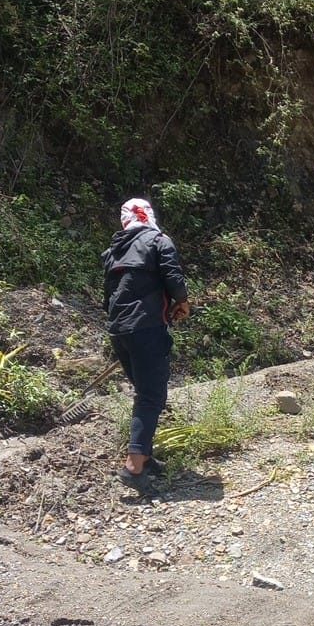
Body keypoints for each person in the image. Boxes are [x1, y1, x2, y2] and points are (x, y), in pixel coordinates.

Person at [102, 197, 190, 484]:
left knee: (145, 393)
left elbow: (109, 295)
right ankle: (134, 466)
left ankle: (145, 456)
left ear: (125, 220)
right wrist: (182, 302)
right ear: (149, 216)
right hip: (147, 328)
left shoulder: (112, 251)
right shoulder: (159, 241)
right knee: (151, 395)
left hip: (119, 330)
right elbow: (173, 276)